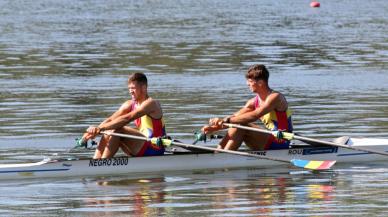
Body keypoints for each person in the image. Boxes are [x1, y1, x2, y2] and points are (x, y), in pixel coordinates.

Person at [202, 64, 292, 151]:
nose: (247, 84)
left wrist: (226, 121)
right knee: (238, 122)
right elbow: (234, 117)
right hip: (268, 140)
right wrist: (215, 128)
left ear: (260, 83)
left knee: (241, 124)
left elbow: (255, 115)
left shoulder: (275, 97)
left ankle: (222, 158)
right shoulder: (253, 102)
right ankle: (218, 153)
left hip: (281, 140)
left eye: (250, 81)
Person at [82, 72, 167, 159]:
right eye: (129, 88)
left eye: (133, 88)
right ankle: (95, 160)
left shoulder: (151, 103)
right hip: (141, 147)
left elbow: (127, 118)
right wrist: (92, 132)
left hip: (154, 148)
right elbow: (111, 120)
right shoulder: (129, 104)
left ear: (144, 88)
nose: (131, 91)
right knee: (109, 129)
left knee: (119, 129)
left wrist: (100, 128)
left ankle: (102, 163)